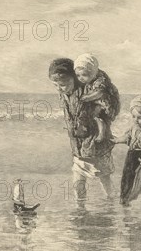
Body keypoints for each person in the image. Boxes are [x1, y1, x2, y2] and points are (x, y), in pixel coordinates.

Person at [48, 57, 115, 201]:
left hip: (96, 144)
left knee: (104, 177)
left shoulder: (88, 89)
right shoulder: (64, 95)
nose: (59, 88)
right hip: (78, 146)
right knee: (78, 180)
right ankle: (80, 206)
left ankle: (112, 203)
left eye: (63, 84)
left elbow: (105, 98)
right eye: (55, 85)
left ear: (75, 78)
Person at [73, 53, 120, 143]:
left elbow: (99, 93)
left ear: (92, 72)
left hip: (108, 103)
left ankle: (102, 134)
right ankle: (82, 129)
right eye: (78, 75)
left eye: (84, 75)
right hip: (98, 102)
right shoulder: (91, 78)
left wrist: (86, 97)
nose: (81, 78)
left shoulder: (101, 79)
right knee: (87, 112)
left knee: (100, 117)